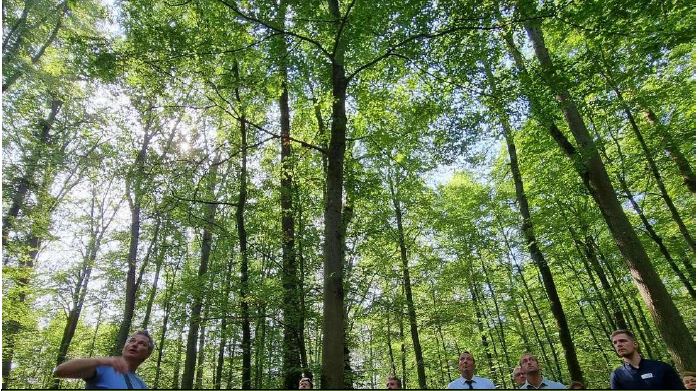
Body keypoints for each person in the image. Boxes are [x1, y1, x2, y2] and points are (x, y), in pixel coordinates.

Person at [53, 330, 153, 389]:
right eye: (132, 341)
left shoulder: (141, 384)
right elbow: (60, 371)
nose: (135, 344)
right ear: (124, 346)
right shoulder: (103, 368)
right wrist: (101, 361)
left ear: (147, 354)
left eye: (142, 344)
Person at [609, 329, 684, 389]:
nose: (618, 344)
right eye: (615, 343)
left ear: (635, 344)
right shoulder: (617, 375)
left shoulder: (661, 367)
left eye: (622, 341)